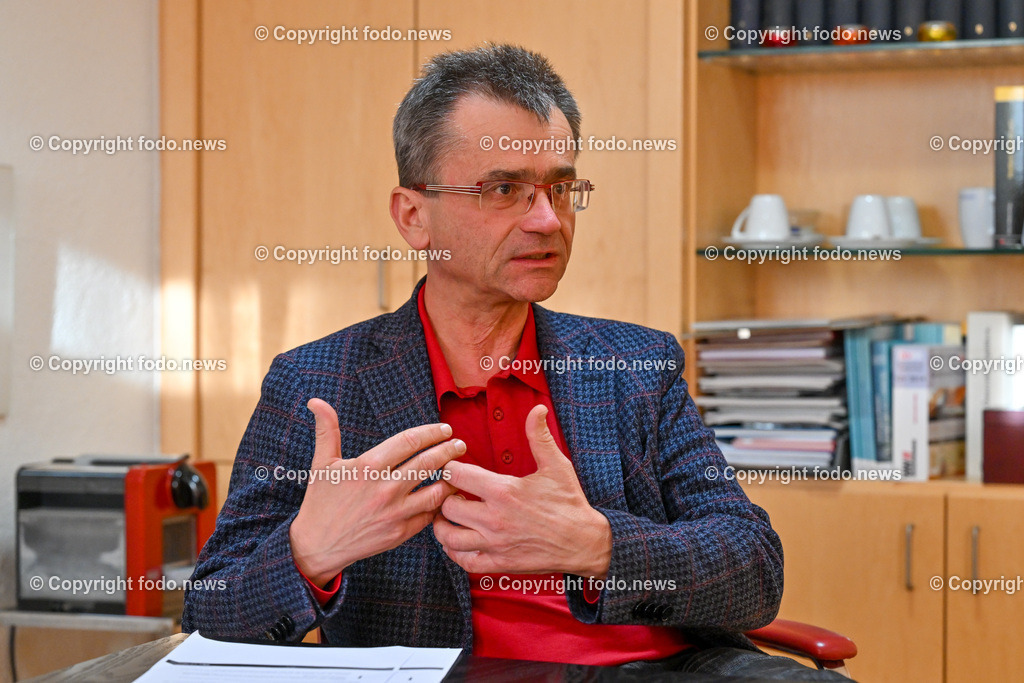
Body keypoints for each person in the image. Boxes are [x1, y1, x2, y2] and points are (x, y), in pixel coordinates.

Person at [182, 44, 847, 680]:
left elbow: (754, 569)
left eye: (561, 189)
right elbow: (208, 612)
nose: (547, 220)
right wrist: (308, 554)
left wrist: (597, 544)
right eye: (504, 190)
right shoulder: (317, 382)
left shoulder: (637, 365)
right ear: (414, 216)